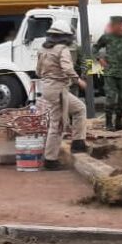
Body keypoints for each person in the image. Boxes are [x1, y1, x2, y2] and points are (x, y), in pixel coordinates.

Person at [36, 22, 89, 170]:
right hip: (58, 89)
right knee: (57, 125)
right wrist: (78, 80)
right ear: (64, 36)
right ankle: (50, 160)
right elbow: (67, 68)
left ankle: (78, 142)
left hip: (49, 88)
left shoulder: (43, 49)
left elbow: (38, 71)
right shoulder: (62, 49)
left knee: (79, 108)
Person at [92, 15, 122, 131]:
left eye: (113, 25)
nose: (111, 27)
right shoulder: (106, 37)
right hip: (110, 73)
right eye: (111, 25)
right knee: (110, 98)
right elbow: (95, 49)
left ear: (120, 25)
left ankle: (118, 122)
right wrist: (100, 59)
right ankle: (109, 123)